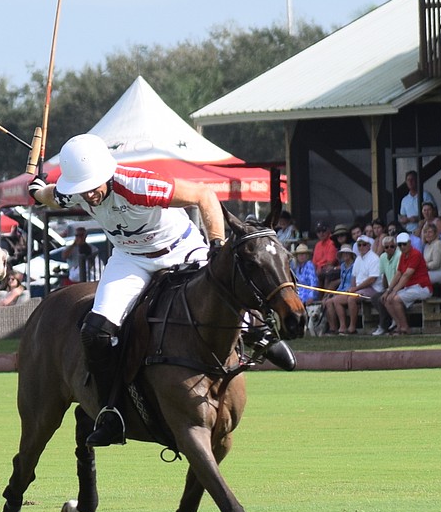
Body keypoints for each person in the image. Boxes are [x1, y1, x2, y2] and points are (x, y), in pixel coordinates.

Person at [28, 133, 294, 448]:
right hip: (130, 259)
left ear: (106, 174)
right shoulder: (77, 192)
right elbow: (47, 196)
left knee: (221, 290)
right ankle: (111, 413)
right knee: (95, 332)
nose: (90, 195)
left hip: (180, 248)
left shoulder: (139, 185)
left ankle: (259, 331)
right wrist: (35, 189)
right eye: (82, 190)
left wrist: (217, 243)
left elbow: (203, 195)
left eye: (93, 187)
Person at [380, 231, 433, 335]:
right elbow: (398, 274)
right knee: (386, 299)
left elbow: (406, 275)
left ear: (409, 243)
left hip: (422, 287)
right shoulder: (403, 256)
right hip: (411, 287)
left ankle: (405, 327)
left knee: (395, 298)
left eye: (404, 244)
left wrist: (394, 291)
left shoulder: (416, 254)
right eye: (400, 245)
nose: (402, 247)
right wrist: (388, 290)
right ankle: (399, 325)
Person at [329, 236, 381, 334]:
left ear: (369, 246)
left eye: (364, 245)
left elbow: (372, 279)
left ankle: (352, 327)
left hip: (373, 288)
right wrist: (351, 289)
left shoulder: (374, 258)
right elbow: (354, 277)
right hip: (359, 288)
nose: (361, 247)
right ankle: (343, 326)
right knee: (336, 299)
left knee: (352, 298)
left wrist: (355, 289)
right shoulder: (358, 259)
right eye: (359, 245)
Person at [323, 245, 356, 335]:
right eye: (343, 254)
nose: (345, 255)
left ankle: (343, 326)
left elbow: (353, 282)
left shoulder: (355, 266)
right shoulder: (342, 266)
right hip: (342, 290)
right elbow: (342, 282)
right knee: (328, 302)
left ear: (350, 254)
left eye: (346, 253)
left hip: (350, 290)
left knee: (336, 300)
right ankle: (333, 327)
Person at [312, 222, 339, 295]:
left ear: (328, 230)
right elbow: (314, 262)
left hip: (329, 269)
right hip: (319, 269)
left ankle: (323, 299)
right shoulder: (318, 245)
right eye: (318, 231)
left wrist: (320, 267)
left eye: (323, 231)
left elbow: (331, 261)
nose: (321, 233)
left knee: (326, 273)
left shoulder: (332, 242)